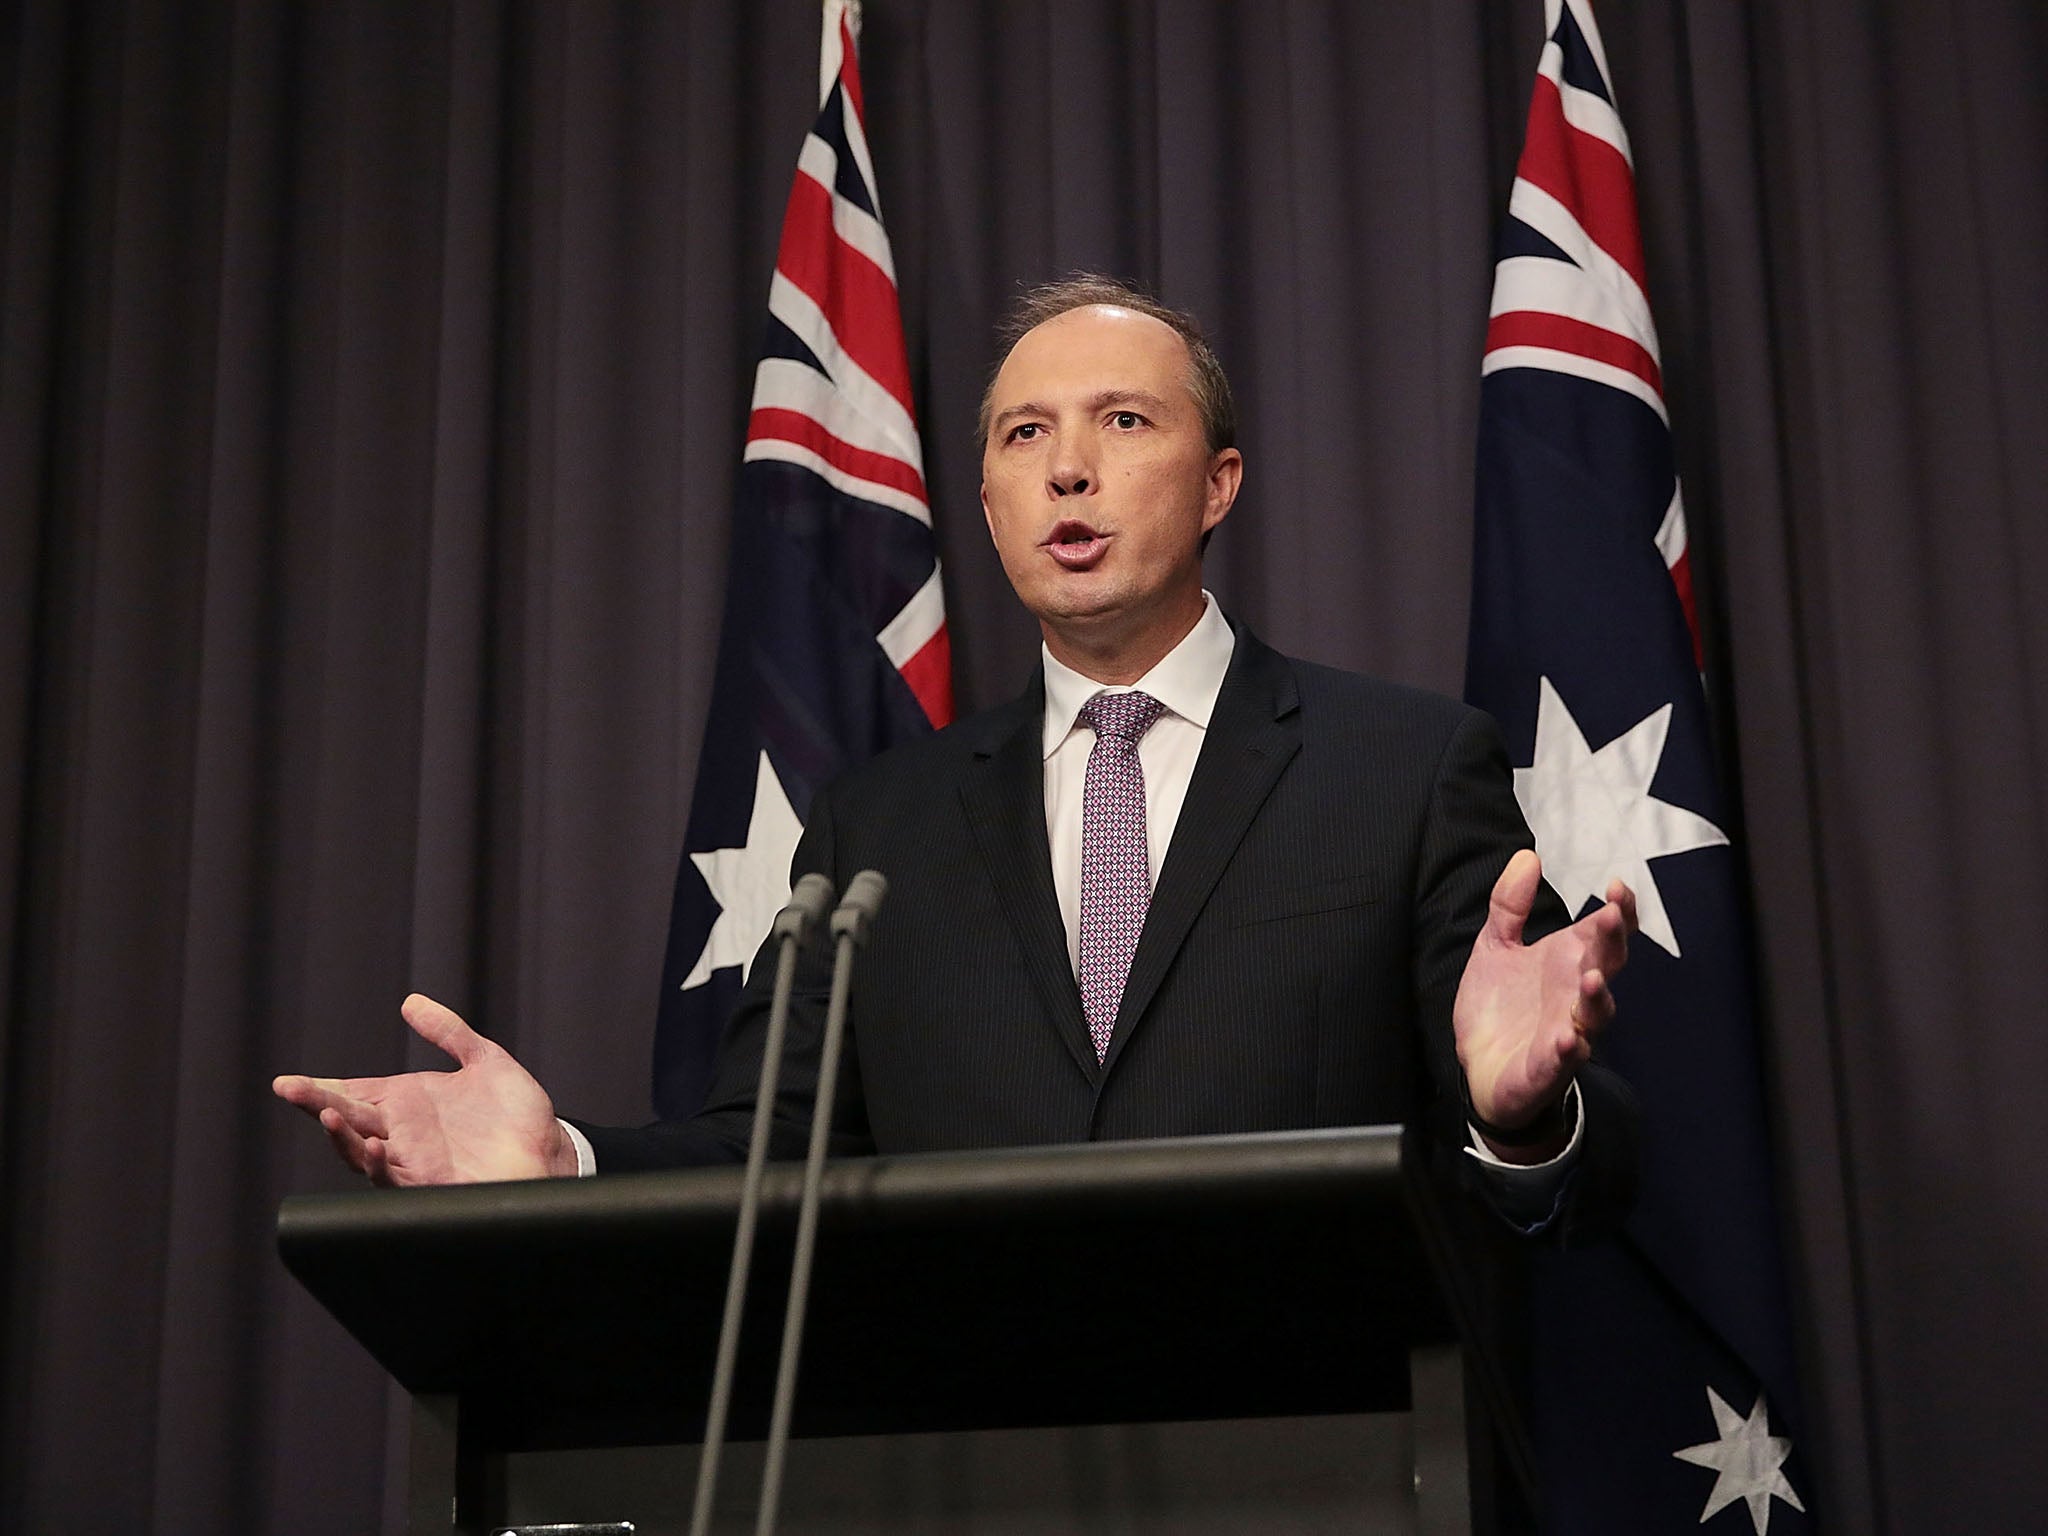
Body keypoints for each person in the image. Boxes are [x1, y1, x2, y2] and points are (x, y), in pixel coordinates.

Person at [276, 276, 1639, 1234]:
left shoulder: (1403, 767)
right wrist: (561, 1160)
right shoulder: (881, 827)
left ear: (1219, 482)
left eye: (1123, 421)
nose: (1067, 471)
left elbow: (1601, 1177)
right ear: (984, 502)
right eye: (1023, 435)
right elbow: (768, 1156)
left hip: (1338, 1462)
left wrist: (1523, 1118)